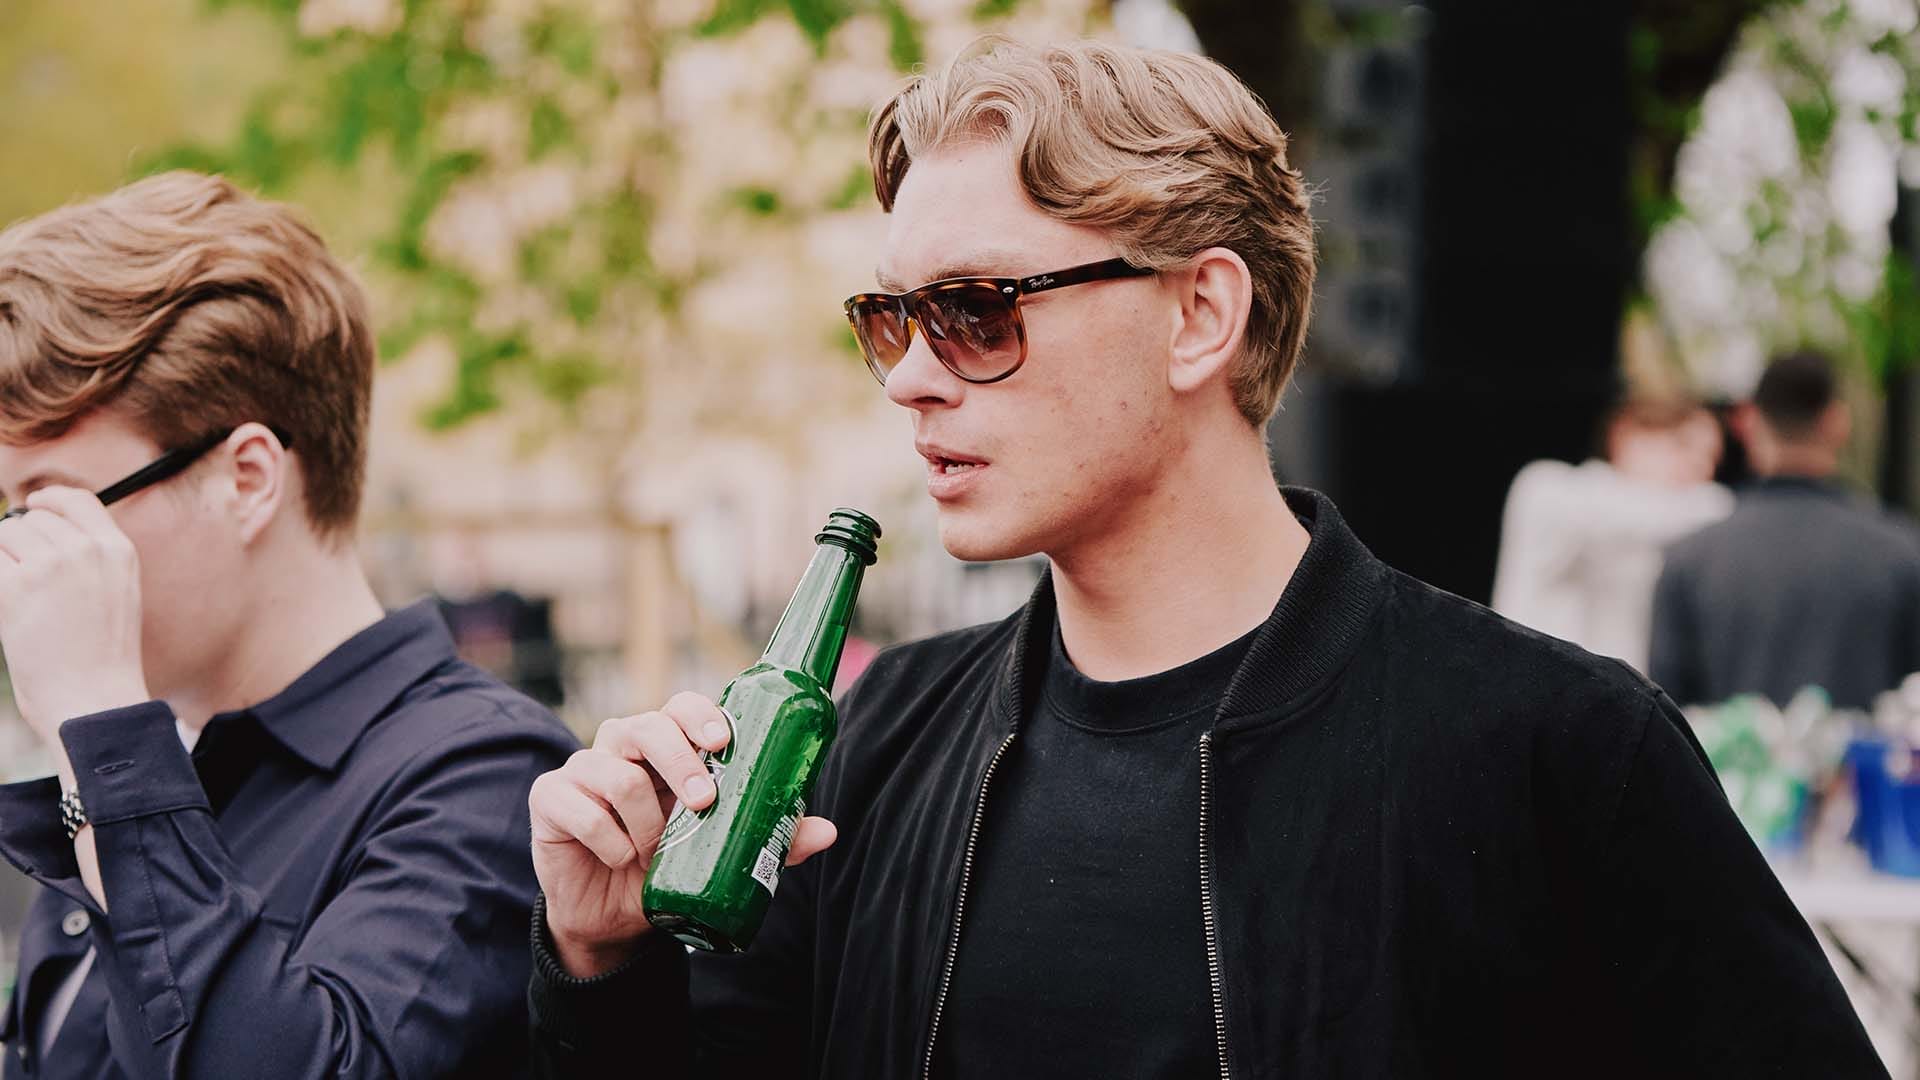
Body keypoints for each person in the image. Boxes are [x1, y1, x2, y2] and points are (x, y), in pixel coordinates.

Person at [526, 38, 1883, 1078]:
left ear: (1199, 316)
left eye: (976, 311)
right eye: (892, 320)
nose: (911, 379)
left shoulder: (1555, 754)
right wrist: (601, 962)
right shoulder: (880, 741)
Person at [0, 172, 577, 1078]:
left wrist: (101, 729)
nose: (20, 557)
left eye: (47, 509)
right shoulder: (167, 760)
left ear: (247, 479)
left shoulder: (486, 776)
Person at [1651, 349, 1920, 710]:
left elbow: (1664, 719)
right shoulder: (1902, 554)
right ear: (1837, 422)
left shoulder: (1689, 559)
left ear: (1749, 422)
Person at [1491, 395, 1733, 673]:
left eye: (1711, 458)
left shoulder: (1674, 537)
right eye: (1683, 444)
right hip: (1530, 687)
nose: (1700, 466)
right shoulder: (1548, 487)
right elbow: (1694, 511)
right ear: (1625, 433)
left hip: (1618, 694)